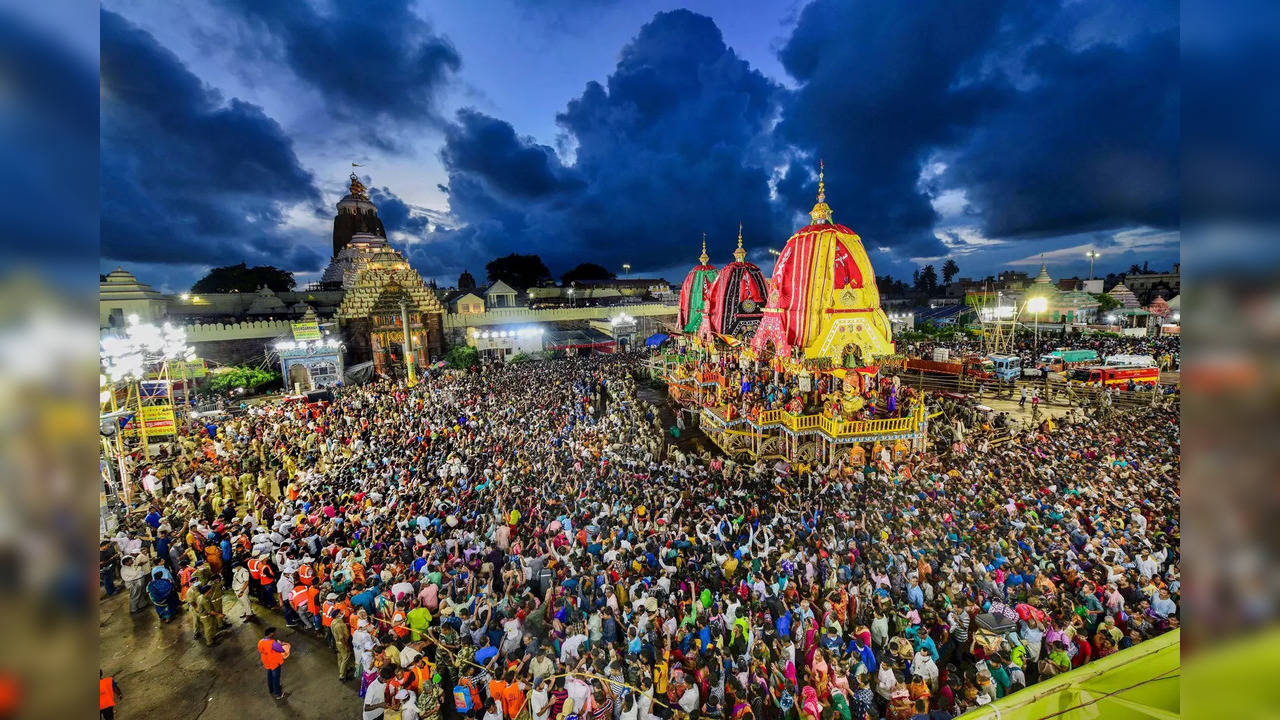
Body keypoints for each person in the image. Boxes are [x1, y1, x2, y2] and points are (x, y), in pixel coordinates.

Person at [258, 626, 291, 700]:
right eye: (274, 632)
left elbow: (261, 650)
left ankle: (271, 689)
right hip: (274, 661)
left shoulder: (260, 641)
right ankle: (278, 694)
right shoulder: (272, 643)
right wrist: (281, 644)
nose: (275, 633)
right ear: (271, 633)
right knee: (276, 677)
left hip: (267, 661)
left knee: (270, 675)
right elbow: (281, 650)